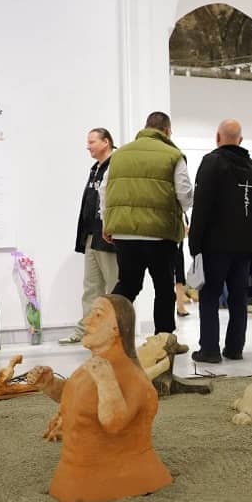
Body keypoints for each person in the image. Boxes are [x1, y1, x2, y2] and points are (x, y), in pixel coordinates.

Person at [26, 294, 172, 502]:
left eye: (97, 315)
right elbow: (78, 397)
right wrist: (50, 385)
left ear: (116, 328)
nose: (86, 321)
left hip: (114, 477)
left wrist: (107, 383)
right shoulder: (93, 367)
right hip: (75, 476)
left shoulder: (132, 378)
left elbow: (115, 423)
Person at [101, 112, 193, 336]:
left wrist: (107, 222)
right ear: (167, 131)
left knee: (128, 284)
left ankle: (108, 331)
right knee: (163, 288)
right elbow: (185, 194)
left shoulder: (119, 154)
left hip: (124, 233)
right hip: (159, 234)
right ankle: (163, 338)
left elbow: (104, 190)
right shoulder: (174, 155)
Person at [189, 119, 252, 363]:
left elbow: (201, 205)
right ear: (240, 140)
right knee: (238, 298)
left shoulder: (212, 162)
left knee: (210, 296)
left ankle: (209, 350)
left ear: (217, 137)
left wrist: (194, 242)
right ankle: (235, 348)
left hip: (216, 245)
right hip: (245, 247)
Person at [60, 128, 118, 345]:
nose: (88, 146)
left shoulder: (116, 165)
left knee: (113, 286)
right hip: (91, 236)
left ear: (106, 142)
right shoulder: (96, 168)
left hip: (108, 237)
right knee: (91, 287)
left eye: (92, 142)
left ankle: (115, 332)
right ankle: (87, 330)